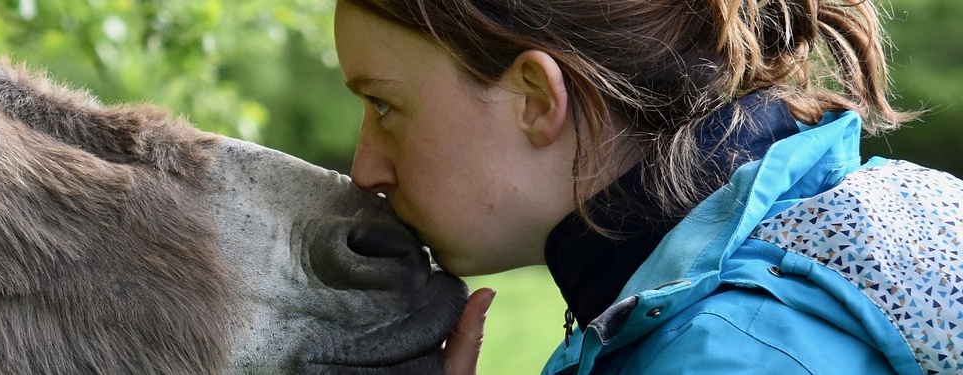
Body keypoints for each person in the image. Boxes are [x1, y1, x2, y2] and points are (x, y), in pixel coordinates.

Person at [330, 0, 963, 374]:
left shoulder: (728, 355)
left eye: (383, 105)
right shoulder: (792, 256)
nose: (365, 168)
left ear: (534, 98)